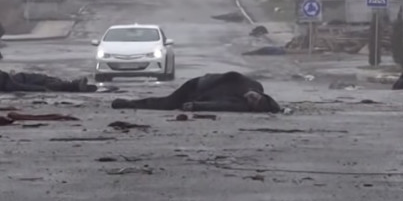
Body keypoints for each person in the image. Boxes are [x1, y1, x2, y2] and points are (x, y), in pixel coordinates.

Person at [111, 71, 281, 113]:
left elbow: (219, 106)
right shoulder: (253, 84)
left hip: (198, 96)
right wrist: (206, 84)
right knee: (168, 103)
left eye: (254, 103)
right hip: (198, 85)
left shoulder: (241, 105)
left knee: (167, 104)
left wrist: (197, 105)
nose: (252, 99)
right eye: (257, 98)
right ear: (260, 94)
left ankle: (128, 103)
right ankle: (129, 103)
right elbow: (232, 75)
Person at [0, 71, 96, 93]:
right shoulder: (11, 83)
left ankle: (77, 85)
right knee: (59, 85)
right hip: (41, 83)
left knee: (59, 84)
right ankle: (77, 85)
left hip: (41, 80)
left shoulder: (10, 80)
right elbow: (24, 87)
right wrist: (41, 89)